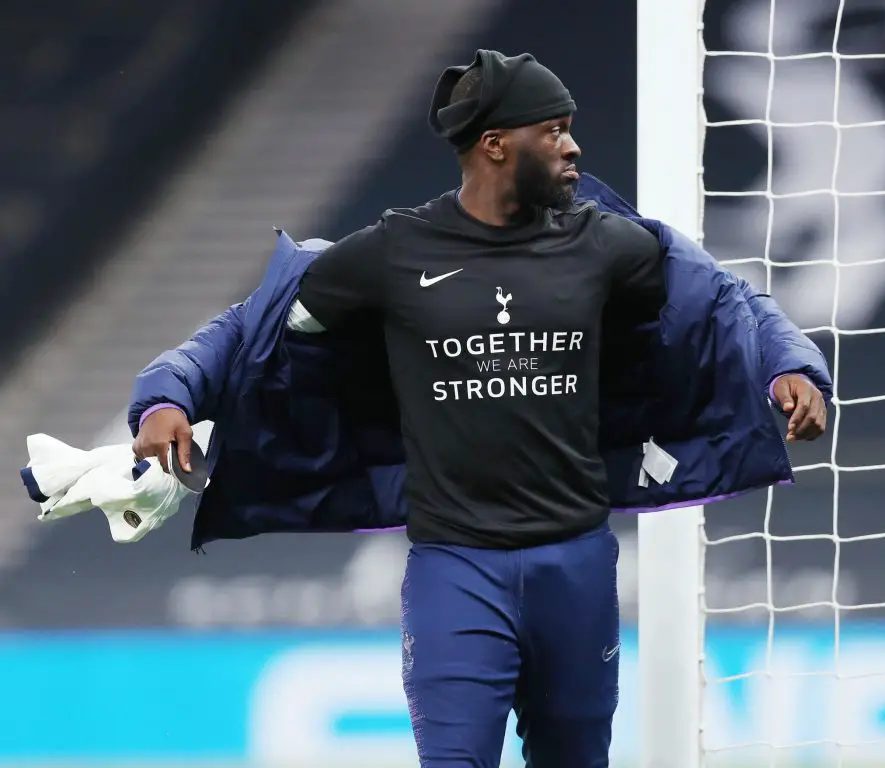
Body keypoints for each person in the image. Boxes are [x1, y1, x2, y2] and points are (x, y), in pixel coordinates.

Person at [131, 50, 830, 768]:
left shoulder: (604, 244)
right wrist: (165, 395)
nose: (574, 147)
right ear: (496, 145)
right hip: (456, 572)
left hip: (579, 567)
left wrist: (788, 365)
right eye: (554, 131)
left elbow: (722, 302)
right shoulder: (393, 252)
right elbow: (254, 325)